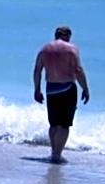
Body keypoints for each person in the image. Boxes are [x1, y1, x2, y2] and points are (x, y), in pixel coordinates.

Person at [33, 25, 90, 164]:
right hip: (67, 88)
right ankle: (57, 155)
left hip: (51, 88)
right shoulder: (71, 49)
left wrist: (37, 89)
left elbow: (37, 70)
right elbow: (78, 70)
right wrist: (85, 88)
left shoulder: (44, 49)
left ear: (56, 35)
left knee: (53, 124)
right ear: (68, 36)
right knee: (64, 125)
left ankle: (54, 153)